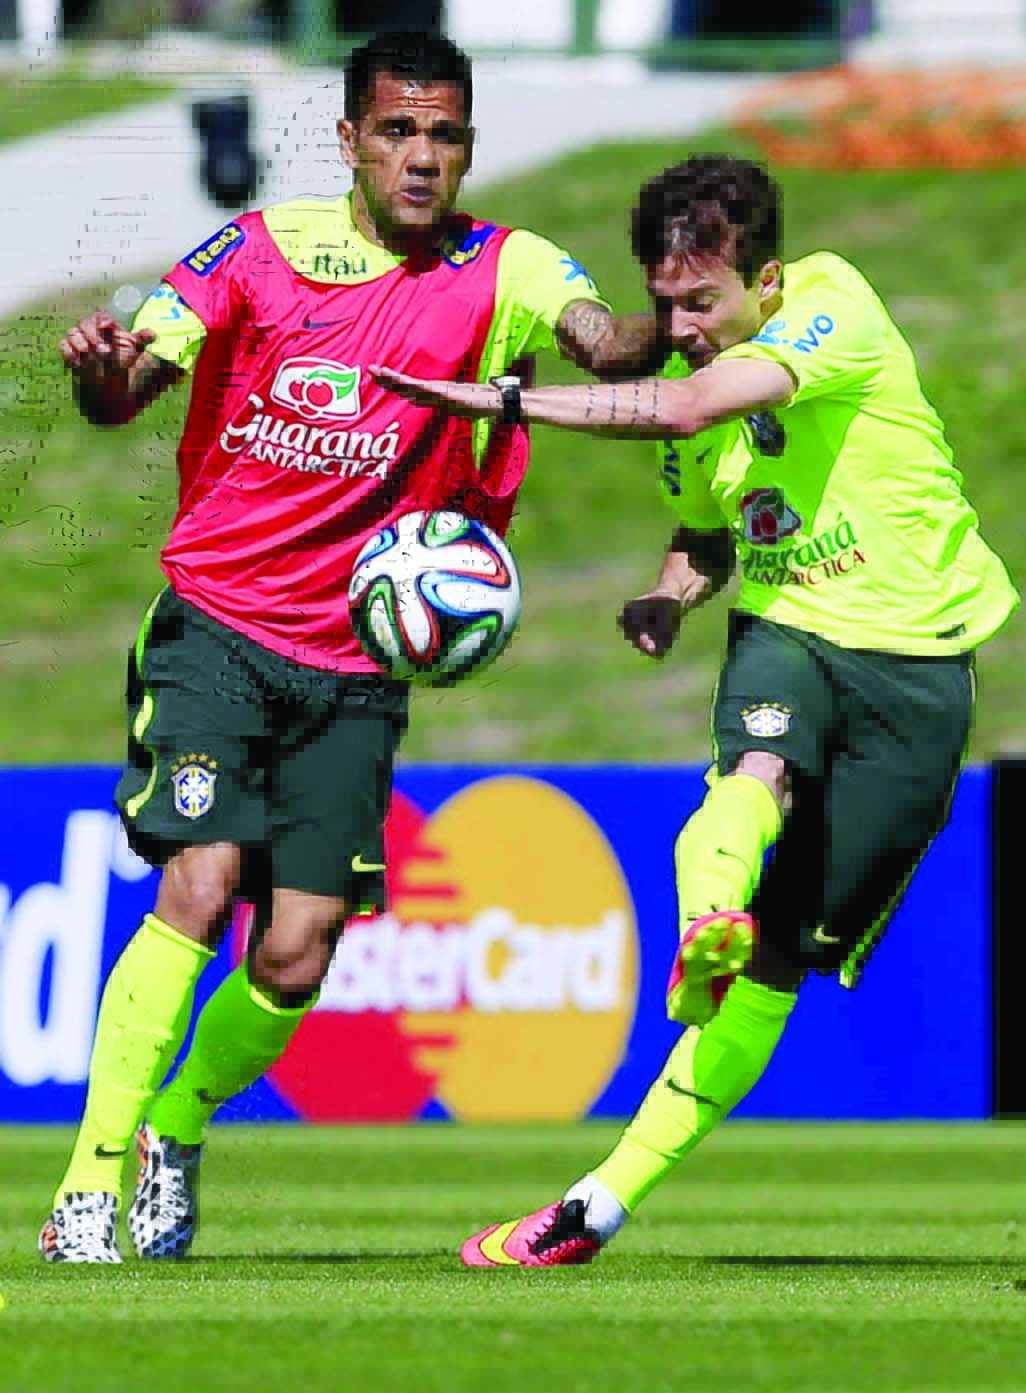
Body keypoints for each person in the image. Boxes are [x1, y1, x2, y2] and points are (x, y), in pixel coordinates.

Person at [40, 29, 665, 1265]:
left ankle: (175, 1123)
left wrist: (678, 318)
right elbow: (128, 389)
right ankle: (84, 1192)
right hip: (217, 627)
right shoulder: (256, 253)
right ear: (349, 141)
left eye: (442, 135)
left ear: (469, 146)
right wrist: (105, 373)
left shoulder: (512, 266)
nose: (421, 157)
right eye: (397, 131)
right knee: (204, 882)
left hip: (359, 668)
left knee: (297, 948)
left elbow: (605, 345)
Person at [372, 153, 1020, 1267]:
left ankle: (624, 1159)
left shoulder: (833, 305)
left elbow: (688, 400)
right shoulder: (695, 393)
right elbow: (712, 530)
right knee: (749, 779)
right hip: (787, 629)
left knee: (783, 963)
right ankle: (683, 970)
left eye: (701, 302)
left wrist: (507, 397)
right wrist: (671, 596)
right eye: (663, 302)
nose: (678, 325)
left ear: (765, 281)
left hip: (917, 667)